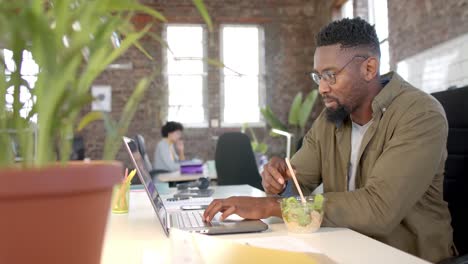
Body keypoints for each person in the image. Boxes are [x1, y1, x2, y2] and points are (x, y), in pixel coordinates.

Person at [203, 17, 455, 262]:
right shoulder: (331, 119)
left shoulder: (420, 114)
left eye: (331, 75)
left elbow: (380, 208)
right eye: (319, 76)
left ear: (369, 68)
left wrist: (270, 207)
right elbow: (297, 185)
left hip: (406, 257)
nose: (322, 88)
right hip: (343, 249)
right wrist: (279, 183)